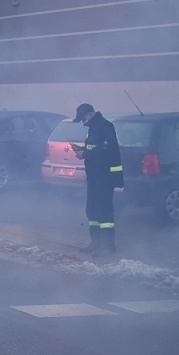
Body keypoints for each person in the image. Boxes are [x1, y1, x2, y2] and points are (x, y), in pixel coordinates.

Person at [70, 102, 123, 258]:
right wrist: (82, 150)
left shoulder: (106, 127)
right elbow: (94, 149)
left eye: (83, 118)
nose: (82, 122)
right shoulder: (93, 129)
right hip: (93, 178)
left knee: (104, 214)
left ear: (91, 114)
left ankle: (107, 247)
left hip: (105, 178)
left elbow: (106, 151)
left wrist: (85, 154)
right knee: (92, 211)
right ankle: (96, 243)